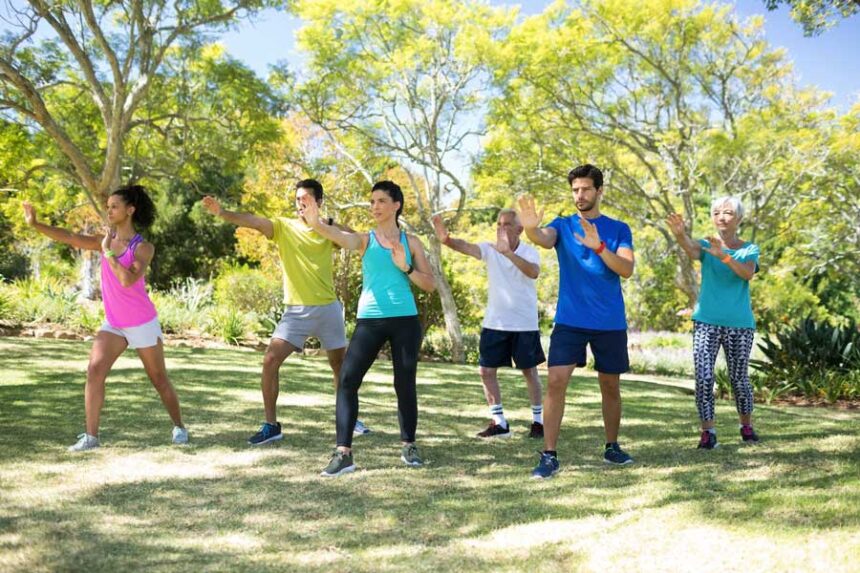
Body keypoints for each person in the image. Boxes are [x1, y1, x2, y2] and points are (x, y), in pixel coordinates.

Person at [201, 179, 369, 445]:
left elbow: (357, 240)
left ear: (319, 202)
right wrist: (222, 213)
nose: (300, 203)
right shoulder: (283, 226)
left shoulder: (327, 229)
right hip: (296, 312)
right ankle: (271, 425)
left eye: (306, 199)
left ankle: (349, 418)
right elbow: (254, 221)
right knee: (270, 361)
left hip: (328, 309)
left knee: (341, 367)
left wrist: (326, 223)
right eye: (297, 199)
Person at [22, 185, 188, 452]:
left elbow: (126, 279)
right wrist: (36, 224)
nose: (108, 211)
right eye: (108, 206)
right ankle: (91, 437)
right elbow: (70, 237)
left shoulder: (143, 247)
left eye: (114, 206)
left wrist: (107, 251)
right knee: (95, 370)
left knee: (158, 379)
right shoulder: (105, 239)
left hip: (141, 322)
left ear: (130, 210)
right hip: (114, 323)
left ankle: (179, 426)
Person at [301, 180, 436, 477]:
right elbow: (338, 236)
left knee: (404, 383)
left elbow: (430, 285)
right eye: (372, 201)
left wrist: (407, 268)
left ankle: (409, 445)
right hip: (370, 320)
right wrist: (316, 223)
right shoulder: (365, 240)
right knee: (347, 379)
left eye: (381, 201)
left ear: (396, 205)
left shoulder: (412, 243)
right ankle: (343, 453)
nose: (374, 206)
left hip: (405, 321)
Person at [518, 164, 636, 479]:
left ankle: (612, 446)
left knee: (610, 385)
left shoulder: (619, 229)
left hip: (609, 321)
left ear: (599, 191)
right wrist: (530, 229)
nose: (579, 195)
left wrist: (598, 246)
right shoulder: (563, 225)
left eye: (585, 189)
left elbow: (625, 268)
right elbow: (543, 238)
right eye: (575, 190)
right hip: (570, 319)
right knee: (556, 381)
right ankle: (549, 454)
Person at [432, 209, 545, 439]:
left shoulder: (529, 252)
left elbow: (533, 272)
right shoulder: (489, 249)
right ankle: (499, 422)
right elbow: (467, 247)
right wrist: (447, 240)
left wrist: (509, 254)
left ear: (519, 230)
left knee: (529, 372)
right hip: (495, 323)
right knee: (486, 371)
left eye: (506, 225)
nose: (501, 229)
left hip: (524, 324)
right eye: (498, 224)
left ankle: (538, 422)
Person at [666, 198, 760, 449]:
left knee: (739, 378)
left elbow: (747, 273)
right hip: (706, 321)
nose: (721, 217)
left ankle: (746, 425)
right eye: (717, 212)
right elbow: (690, 248)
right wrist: (679, 234)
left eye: (728, 212)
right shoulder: (706, 246)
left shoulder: (749, 248)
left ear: (738, 218)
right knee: (704, 377)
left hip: (739, 323)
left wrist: (725, 257)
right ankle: (708, 432)